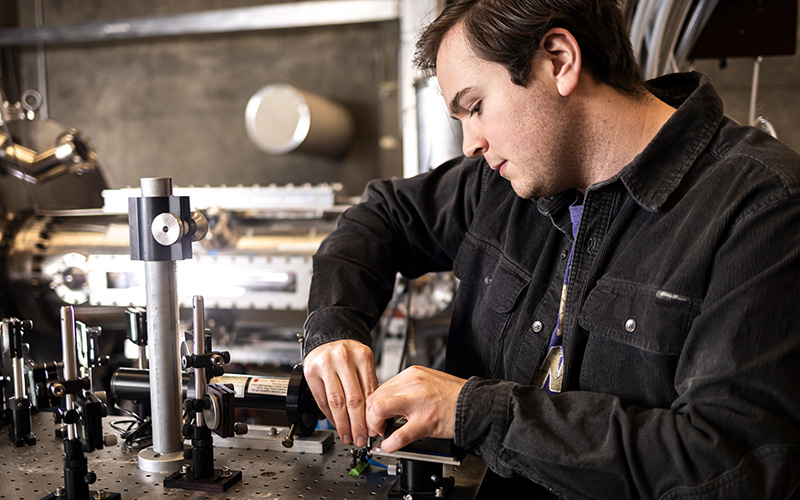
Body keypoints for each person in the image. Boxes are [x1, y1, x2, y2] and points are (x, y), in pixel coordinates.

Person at [302, 0, 800, 497]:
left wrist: (472, 411)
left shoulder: (763, 209)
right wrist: (332, 329)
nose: (469, 144)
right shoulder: (500, 184)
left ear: (559, 60)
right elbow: (382, 215)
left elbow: (730, 465)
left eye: (476, 107)